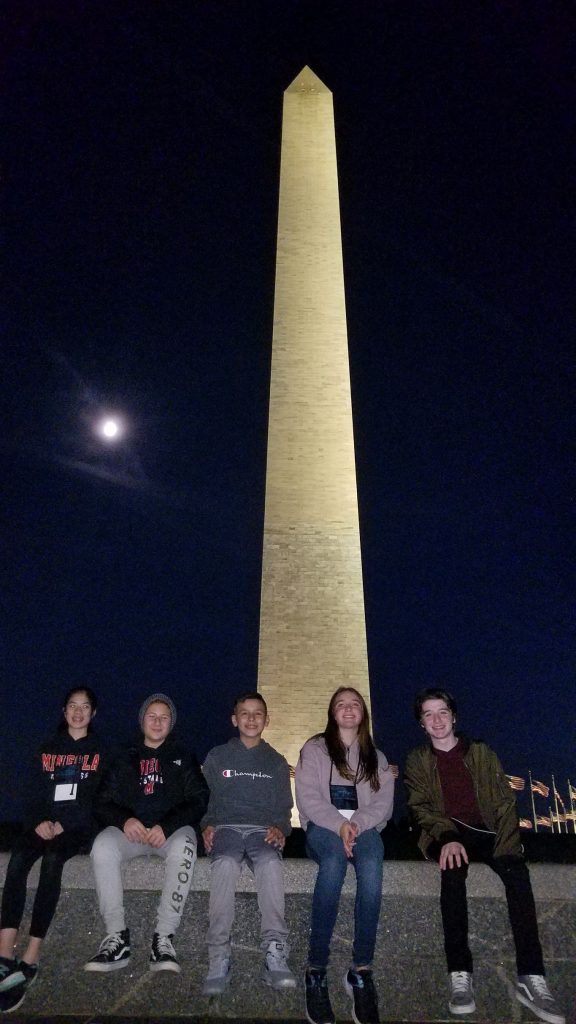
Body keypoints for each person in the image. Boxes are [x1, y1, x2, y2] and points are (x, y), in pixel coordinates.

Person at [404, 687, 565, 1024]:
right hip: (441, 832)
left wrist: (507, 849)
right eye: (428, 714)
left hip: (483, 833)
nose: (436, 720)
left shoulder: (481, 752)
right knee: (452, 871)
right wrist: (447, 836)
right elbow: (419, 806)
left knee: (517, 875)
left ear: (454, 716)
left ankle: (532, 978)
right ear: (421, 723)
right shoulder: (417, 759)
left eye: (442, 712)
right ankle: (459, 975)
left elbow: (504, 802)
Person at [84, 693, 207, 974]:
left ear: (171, 723)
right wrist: (124, 819)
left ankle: (163, 938)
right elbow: (101, 800)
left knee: (186, 847)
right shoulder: (124, 755)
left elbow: (199, 798)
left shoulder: (183, 756)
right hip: (132, 833)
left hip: (170, 833)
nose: (157, 721)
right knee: (102, 846)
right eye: (152, 716)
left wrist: (168, 825)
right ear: (142, 720)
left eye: (164, 717)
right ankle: (117, 937)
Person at [0, 686, 105, 1014]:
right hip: (42, 824)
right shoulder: (47, 748)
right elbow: (31, 792)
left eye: (85, 707)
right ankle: (4, 955)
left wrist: (66, 824)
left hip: (74, 831)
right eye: (72, 706)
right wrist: (39, 821)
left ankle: (32, 954)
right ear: (64, 711)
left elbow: (98, 799)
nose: (78, 712)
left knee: (53, 861)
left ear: (93, 714)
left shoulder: (101, 752)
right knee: (17, 862)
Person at [295, 687, 394, 1024]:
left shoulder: (377, 758)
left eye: (355, 704)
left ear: (363, 713)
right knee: (334, 863)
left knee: (371, 865)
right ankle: (316, 967)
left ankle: (361, 969)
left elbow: (383, 804)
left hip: (365, 829)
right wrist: (339, 825)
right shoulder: (315, 749)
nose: (349, 710)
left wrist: (357, 825)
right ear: (332, 712)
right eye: (341, 704)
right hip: (323, 828)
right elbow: (307, 797)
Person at [201, 691, 295, 996]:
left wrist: (281, 828)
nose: (251, 719)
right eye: (245, 713)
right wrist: (206, 825)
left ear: (267, 721)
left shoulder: (276, 761)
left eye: (258, 714)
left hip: (261, 830)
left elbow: (284, 806)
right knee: (225, 865)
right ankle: (219, 955)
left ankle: (275, 951)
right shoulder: (217, 756)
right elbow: (205, 801)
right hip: (226, 827)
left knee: (269, 863)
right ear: (234, 719)